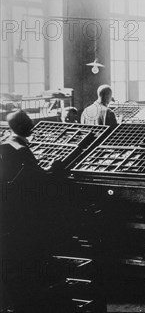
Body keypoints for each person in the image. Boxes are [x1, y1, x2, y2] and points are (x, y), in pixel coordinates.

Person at [1, 110, 69, 312]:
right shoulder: (20, 149)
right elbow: (39, 178)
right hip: (25, 213)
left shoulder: (6, 144)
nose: (32, 124)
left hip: (9, 213)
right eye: (29, 122)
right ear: (24, 126)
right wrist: (56, 168)